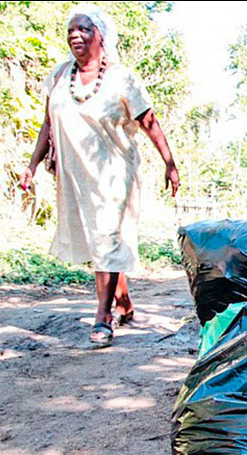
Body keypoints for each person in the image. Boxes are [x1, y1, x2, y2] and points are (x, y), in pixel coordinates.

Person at [18, 4, 180, 347]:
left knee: (107, 236)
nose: (76, 35)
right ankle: (122, 301)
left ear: (101, 37)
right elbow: (48, 123)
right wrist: (32, 165)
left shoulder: (122, 78)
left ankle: (102, 317)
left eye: (85, 29)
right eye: (72, 30)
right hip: (77, 174)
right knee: (100, 241)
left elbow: (148, 121)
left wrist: (170, 163)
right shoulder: (61, 76)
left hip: (115, 172)